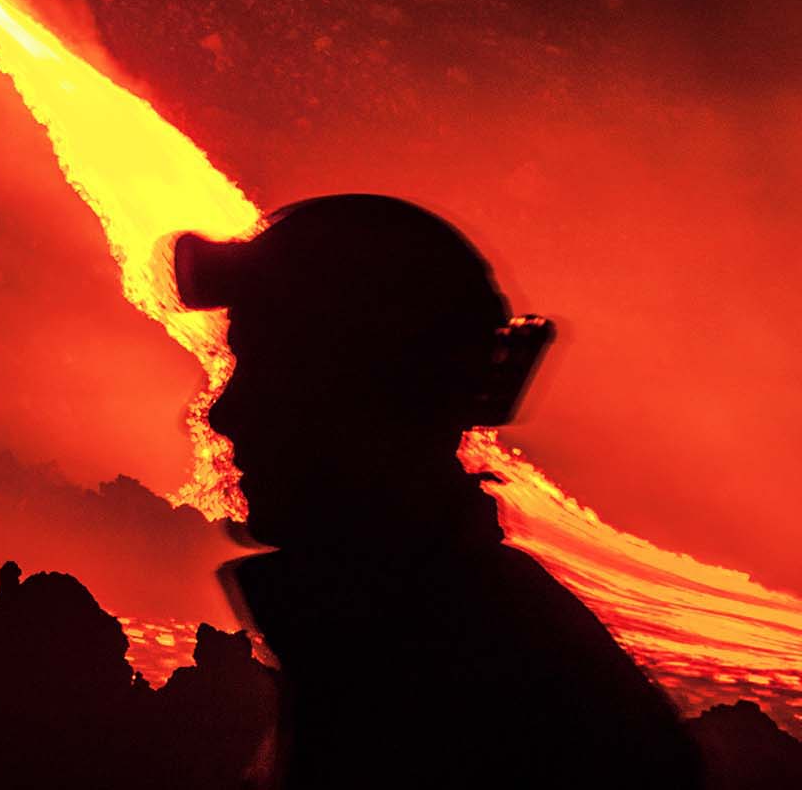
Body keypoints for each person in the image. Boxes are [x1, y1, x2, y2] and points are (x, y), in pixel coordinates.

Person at [173, 194, 698, 788]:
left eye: (272, 369)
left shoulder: (443, 670)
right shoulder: (410, 634)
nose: (225, 412)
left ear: (374, 394)